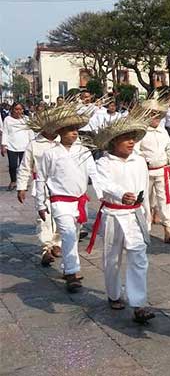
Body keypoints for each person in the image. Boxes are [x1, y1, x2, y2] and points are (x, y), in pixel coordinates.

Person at [88, 105, 156, 324]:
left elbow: (144, 189)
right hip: (113, 214)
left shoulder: (139, 162)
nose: (131, 142)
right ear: (113, 141)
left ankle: (138, 303)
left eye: (132, 138)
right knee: (112, 258)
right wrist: (120, 194)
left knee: (138, 257)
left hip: (135, 215)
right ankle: (114, 294)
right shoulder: (103, 163)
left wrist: (147, 212)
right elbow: (103, 185)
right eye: (125, 138)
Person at [35, 102, 98, 292]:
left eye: (76, 129)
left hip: (79, 201)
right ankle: (72, 273)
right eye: (69, 129)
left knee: (74, 235)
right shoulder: (50, 153)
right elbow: (41, 179)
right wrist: (40, 203)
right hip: (60, 201)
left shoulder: (84, 151)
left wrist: (105, 194)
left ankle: (67, 267)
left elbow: (95, 174)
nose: (74, 133)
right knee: (69, 234)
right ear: (60, 131)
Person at [17, 107, 60, 266]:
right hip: (41, 187)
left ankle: (57, 243)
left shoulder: (63, 142)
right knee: (44, 218)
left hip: (62, 187)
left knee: (61, 217)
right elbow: (25, 167)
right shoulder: (34, 144)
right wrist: (22, 186)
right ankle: (46, 249)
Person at [136, 97, 170, 244]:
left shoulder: (163, 131)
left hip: (162, 171)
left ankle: (168, 230)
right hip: (146, 172)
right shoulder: (141, 132)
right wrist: (143, 160)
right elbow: (136, 151)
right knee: (146, 202)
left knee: (165, 200)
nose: (154, 117)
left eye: (157, 114)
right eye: (151, 114)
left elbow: (169, 149)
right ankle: (145, 230)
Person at [1, 102, 33, 190]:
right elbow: (5, 132)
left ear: (23, 110)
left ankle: (23, 183)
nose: (18, 111)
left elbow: (30, 132)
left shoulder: (26, 119)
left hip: (25, 146)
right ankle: (13, 181)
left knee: (24, 166)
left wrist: (32, 144)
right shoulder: (8, 119)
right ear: (12, 109)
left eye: (20, 109)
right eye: (16, 109)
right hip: (12, 146)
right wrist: (3, 145)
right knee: (12, 166)